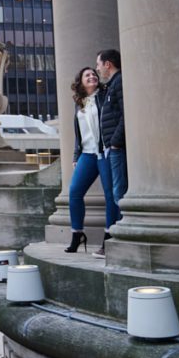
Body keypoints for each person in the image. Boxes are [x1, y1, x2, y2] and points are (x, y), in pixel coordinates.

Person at [65, 67, 117, 253]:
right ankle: (77, 234)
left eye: (94, 74)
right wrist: (75, 155)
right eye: (87, 75)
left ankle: (108, 237)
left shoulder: (104, 96)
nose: (92, 76)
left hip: (104, 152)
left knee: (110, 195)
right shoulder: (80, 103)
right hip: (87, 154)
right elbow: (79, 133)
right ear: (80, 82)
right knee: (75, 192)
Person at [95, 48, 126, 258]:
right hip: (110, 149)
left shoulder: (119, 82)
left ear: (108, 64)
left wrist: (115, 142)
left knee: (119, 193)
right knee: (116, 192)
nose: (97, 68)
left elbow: (126, 113)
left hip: (116, 148)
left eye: (98, 64)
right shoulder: (111, 86)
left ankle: (123, 238)